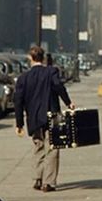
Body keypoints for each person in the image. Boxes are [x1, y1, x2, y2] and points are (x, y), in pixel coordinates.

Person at [14, 45, 74, 192]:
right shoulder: (51, 72)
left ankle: (37, 178)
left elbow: (18, 101)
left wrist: (19, 123)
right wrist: (68, 102)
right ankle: (48, 182)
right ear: (43, 58)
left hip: (34, 118)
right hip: (51, 115)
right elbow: (59, 86)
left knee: (38, 146)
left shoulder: (23, 78)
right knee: (53, 148)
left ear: (30, 58)